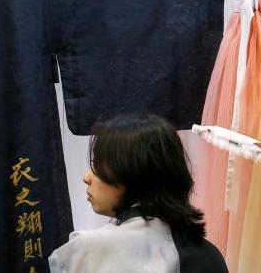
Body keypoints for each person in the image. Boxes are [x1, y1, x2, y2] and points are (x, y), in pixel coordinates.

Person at [49, 113, 228, 273]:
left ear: (132, 171)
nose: (87, 177)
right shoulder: (210, 256)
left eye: (98, 165)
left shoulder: (84, 252)